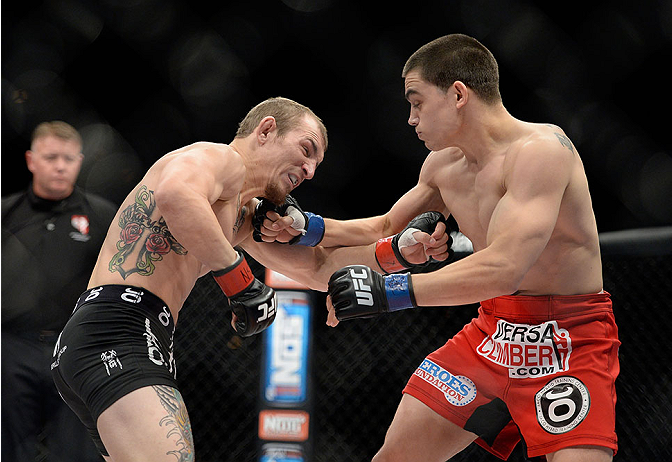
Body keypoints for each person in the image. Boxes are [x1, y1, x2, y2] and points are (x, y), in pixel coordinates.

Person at [263, 34, 620, 461]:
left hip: (568, 339)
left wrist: (390, 292)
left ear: (457, 94)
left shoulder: (541, 152)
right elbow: (383, 226)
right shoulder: (443, 166)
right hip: (496, 331)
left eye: (417, 102)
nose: (411, 119)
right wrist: (307, 228)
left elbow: (504, 266)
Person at [48, 97, 448, 461]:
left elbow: (316, 269)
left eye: (316, 166)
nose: (309, 171)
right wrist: (238, 280)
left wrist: (396, 252)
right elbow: (175, 196)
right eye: (306, 150)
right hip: (116, 330)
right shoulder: (219, 159)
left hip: (134, 335)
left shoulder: (241, 215)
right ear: (266, 130)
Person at [1, 121, 117, 462]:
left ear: (80, 161)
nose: (60, 166)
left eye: (68, 158)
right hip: (12, 347)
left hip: (75, 349)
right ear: (31, 160)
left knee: (78, 450)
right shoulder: (6, 215)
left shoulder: (102, 216)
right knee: (9, 446)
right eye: (51, 157)